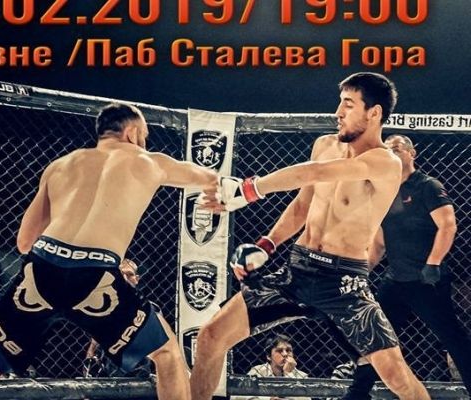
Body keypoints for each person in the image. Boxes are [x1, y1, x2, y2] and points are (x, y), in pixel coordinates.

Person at [0, 102, 218, 400]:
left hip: (42, 268)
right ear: (132, 131)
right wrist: (215, 193)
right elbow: (209, 178)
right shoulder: (148, 161)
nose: (144, 142)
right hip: (96, 274)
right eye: (144, 135)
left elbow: (25, 242)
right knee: (166, 353)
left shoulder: (60, 165)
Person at [191, 72, 430, 400]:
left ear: (374, 113)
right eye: (340, 103)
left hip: (343, 282)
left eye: (349, 105)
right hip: (297, 271)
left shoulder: (384, 162)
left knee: (396, 376)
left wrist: (249, 189)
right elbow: (303, 204)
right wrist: (268, 244)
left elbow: (316, 172)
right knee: (210, 337)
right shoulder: (325, 145)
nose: (338, 112)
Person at [342, 134, 471, 399]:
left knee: (452, 339)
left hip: (427, 281)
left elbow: (448, 225)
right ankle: (357, 394)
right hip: (396, 281)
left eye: (398, 149)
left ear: (412, 154)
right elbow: (379, 243)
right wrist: (361, 271)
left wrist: (433, 263)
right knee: (374, 337)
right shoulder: (383, 190)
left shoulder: (427, 186)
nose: (392, 153)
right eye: (388, 150)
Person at [82, 258, 154, 379]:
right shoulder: (105, 308)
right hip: (109, 372)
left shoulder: (150, 309)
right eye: (121, 275)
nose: (125, 278)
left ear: (137, 279)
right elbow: (97, 336)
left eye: (130, 274)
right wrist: (90, 355)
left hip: (140, 369)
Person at [233, 335, 311, 400]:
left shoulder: (301, 376)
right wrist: (269, 399)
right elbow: (236, 397)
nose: (285, 354)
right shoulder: (258, 371)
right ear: (269, 356)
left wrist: (289, 374)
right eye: (279, 350)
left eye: (288, 350)